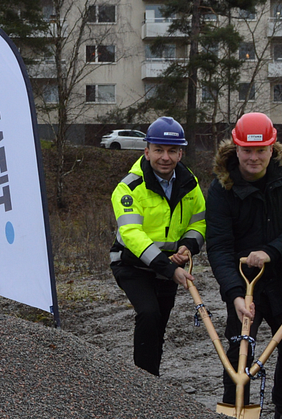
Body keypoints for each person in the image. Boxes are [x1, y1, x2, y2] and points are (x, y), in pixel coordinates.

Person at [205, 112, 282, 419]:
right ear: (236, 148)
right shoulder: (220, 188)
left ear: (272, 147)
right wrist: (233, 294)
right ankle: (235, 409)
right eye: (247, 150)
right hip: (245, 282)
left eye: (261, 150)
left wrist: (272, 251)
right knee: (238, 346)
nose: (253, 158)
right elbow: (218, 246)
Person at [109, 116, 206, 376]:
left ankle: (152, 381)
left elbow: (199, 224)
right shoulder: (129, 187)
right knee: (149, 314)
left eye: (172, 151)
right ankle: (143, 382)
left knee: (160, 323)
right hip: (132, 264)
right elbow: (132, 234)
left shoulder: (190, 184)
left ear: (180, 152)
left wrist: (187, 247)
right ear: (147, 151)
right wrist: (168, 268)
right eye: (159, 150)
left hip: (169, 266)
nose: (165, 157)